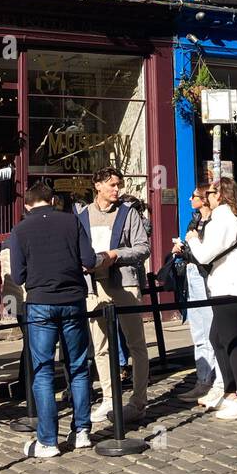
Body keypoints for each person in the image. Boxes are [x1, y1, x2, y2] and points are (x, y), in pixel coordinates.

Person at [8, 182, 98, 459]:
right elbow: (90, 259)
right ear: (53, 200)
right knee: (78, 367)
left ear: (27, 205)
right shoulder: (72, 221)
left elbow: (18, 275)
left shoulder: (20, 230)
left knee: (43, 370)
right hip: (72, 300)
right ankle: (81, 431)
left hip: (40, 303)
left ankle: (47, 441)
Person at [182, 176, 237, 420]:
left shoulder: (223, 219)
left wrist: (193, 241)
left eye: (211, 193)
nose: (207, 198)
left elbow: (204, 255)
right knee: (218, 338)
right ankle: (231, 392)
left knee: (233, 343)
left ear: (221, 195)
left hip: (232, 288)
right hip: (234, 287)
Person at [78, 168, 151, 425]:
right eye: (111, 185)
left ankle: (138, 401)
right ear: (97, 185)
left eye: (119, 184)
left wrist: (116, 254)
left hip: (124, 283)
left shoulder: (128, 213)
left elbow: (143, 248)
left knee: (136, 344)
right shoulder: (82, 215)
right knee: (100, 345)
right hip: (93, 286)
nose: (116, 189)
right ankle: (109, 397)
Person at [177, 185, 224, 403]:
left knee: (212, 328)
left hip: (208, 276)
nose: (190, 198)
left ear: (205, 199)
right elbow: (192, 248)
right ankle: (203, 379)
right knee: (198, 329)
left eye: (194, 195)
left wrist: (190, 246)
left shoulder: (216, 221)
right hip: (192, 274)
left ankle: (219, 382)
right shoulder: (195, 219)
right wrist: (183, 248)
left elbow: (208, 253)